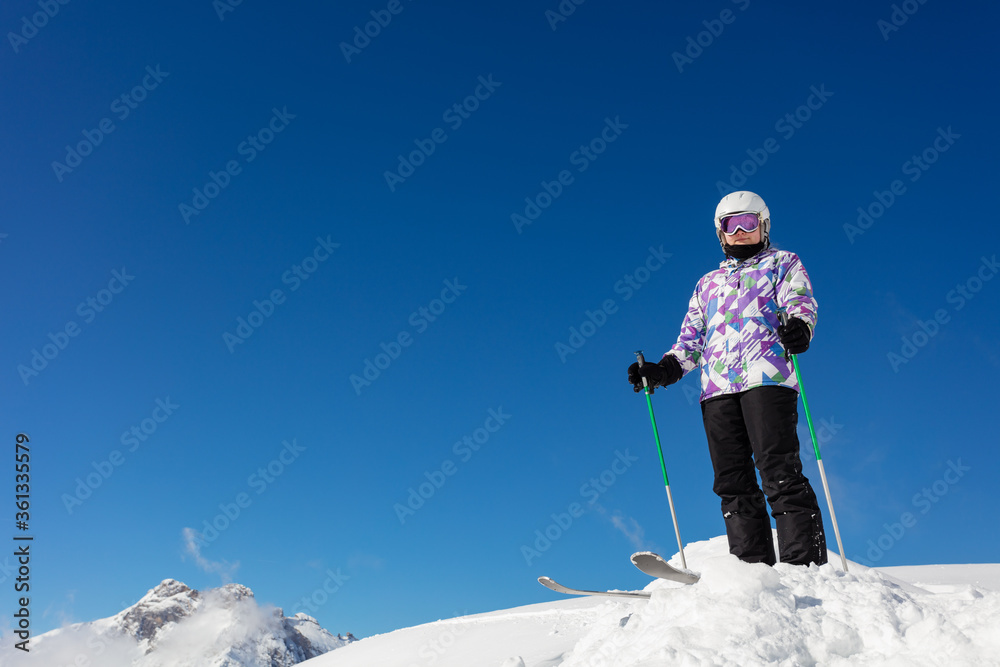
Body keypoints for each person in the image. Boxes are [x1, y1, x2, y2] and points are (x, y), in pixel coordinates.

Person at [627, 191, 827, 566]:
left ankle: (805, 565)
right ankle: (752, 570)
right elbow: (691, 340)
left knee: (778, 471)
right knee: (731, 482)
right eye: (729, 225)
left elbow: (800, 301)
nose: (739, 231)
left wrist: (800, 327)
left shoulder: (783, 264)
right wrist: (663, 370)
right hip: (717, 389)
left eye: (748, 222)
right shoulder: (707, 284)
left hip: (767, 379)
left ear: (763, 226)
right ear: (719, 233)